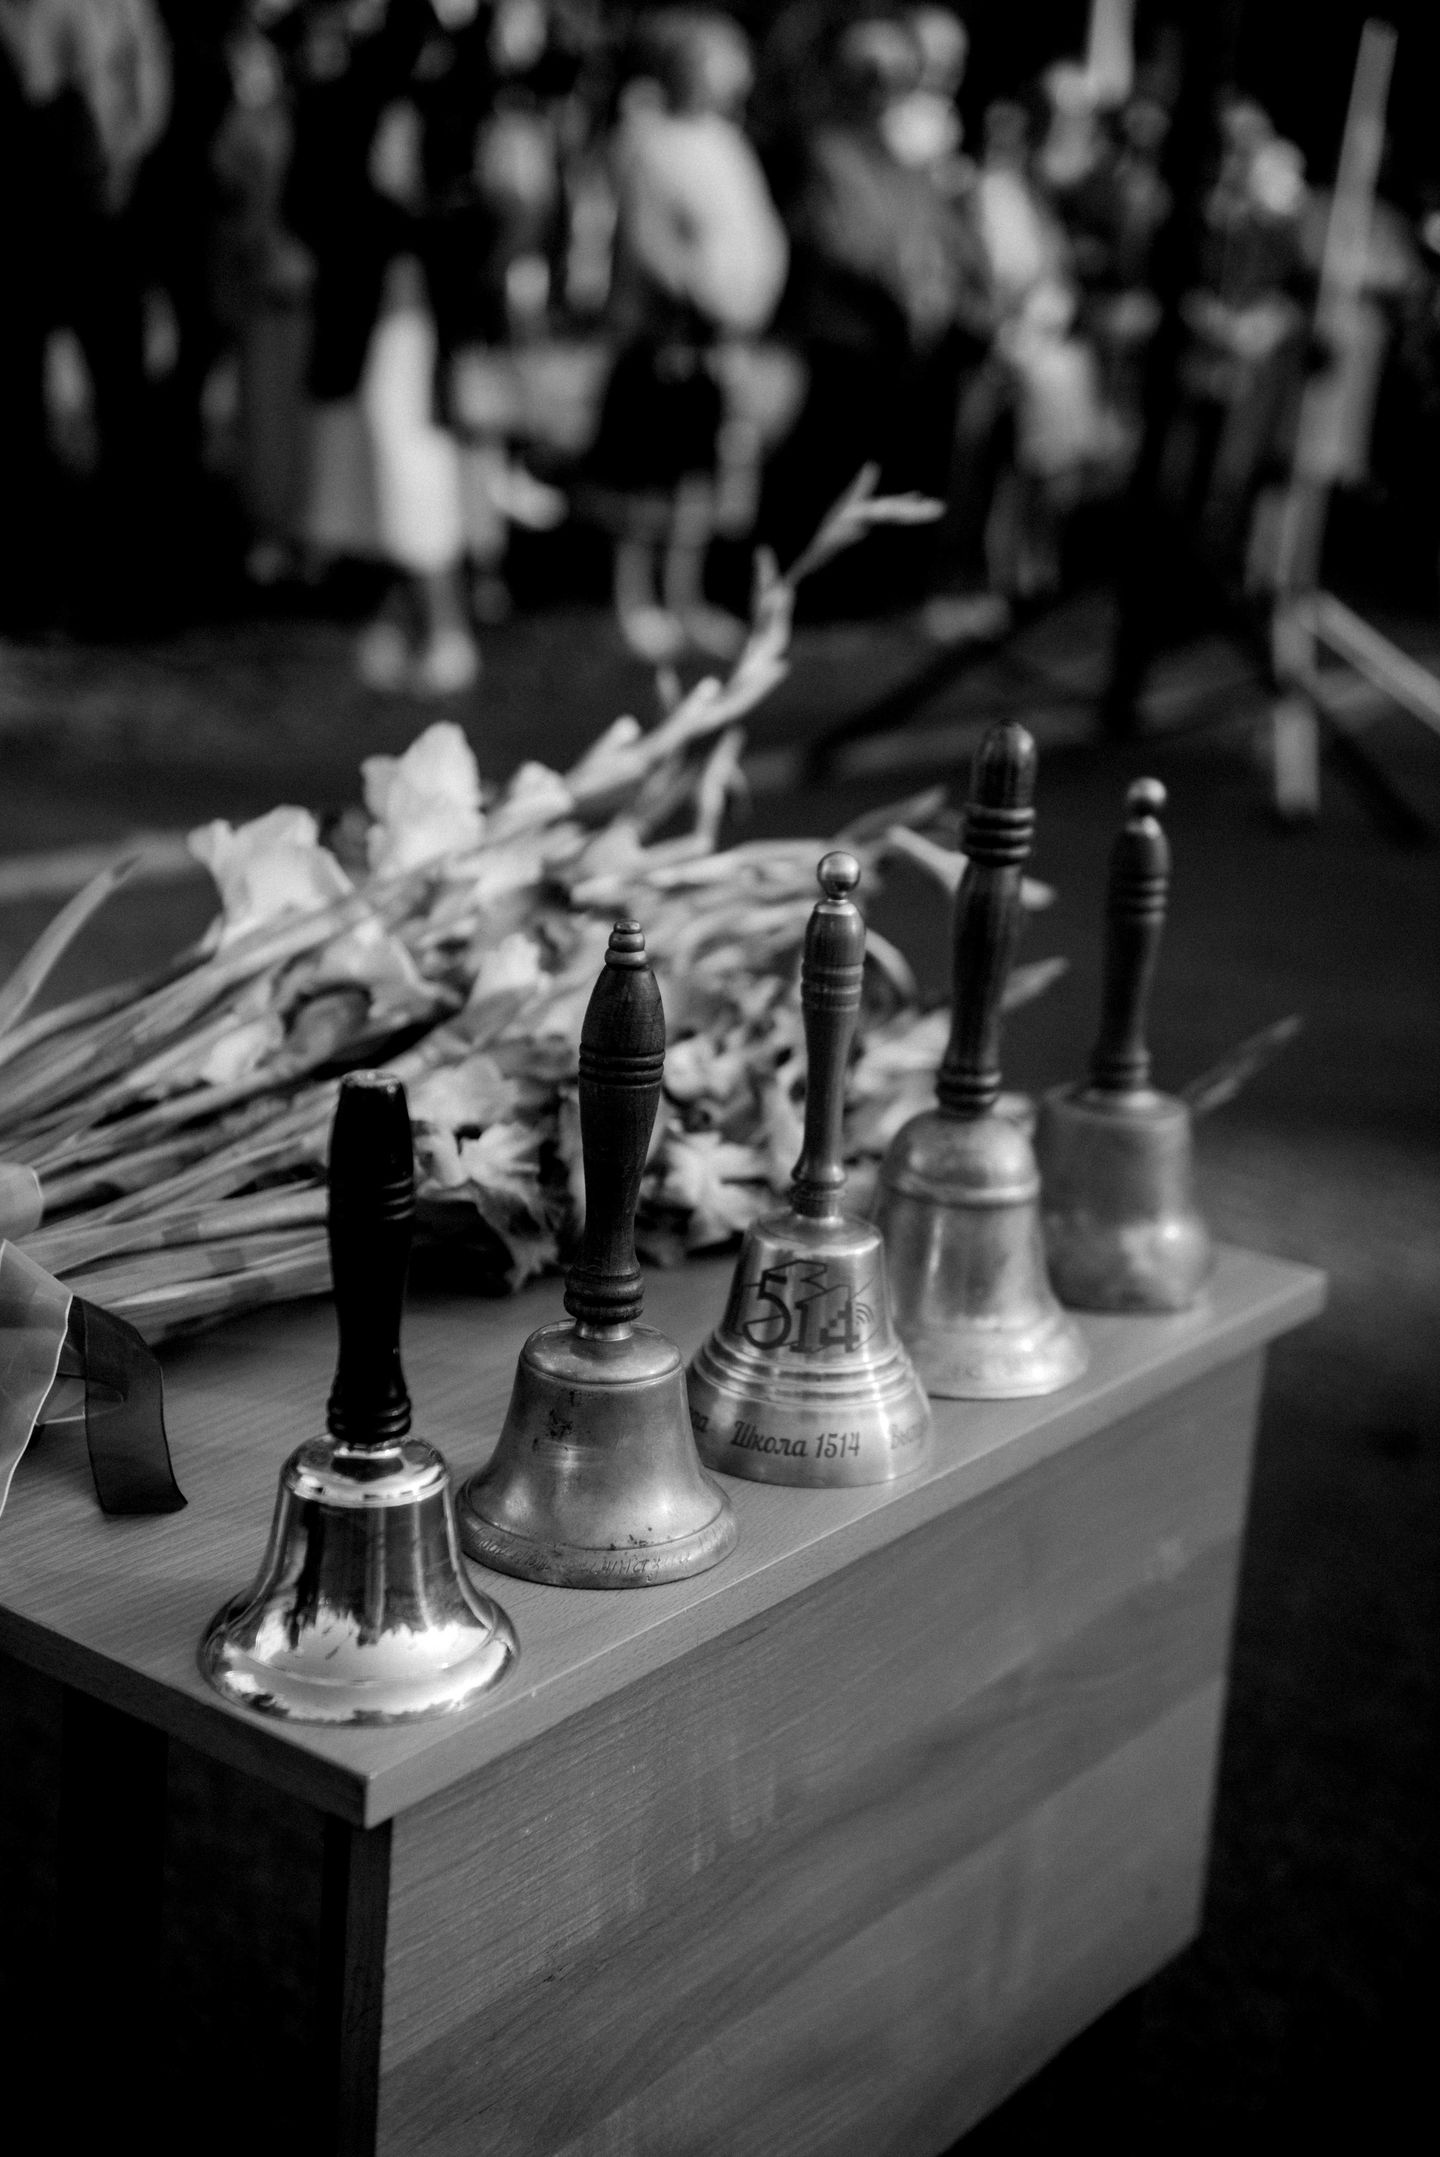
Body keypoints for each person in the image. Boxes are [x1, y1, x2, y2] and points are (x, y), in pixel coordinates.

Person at [582, 7, 789, 661]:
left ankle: (684, 596)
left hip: (719, 340)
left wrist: (746, 301)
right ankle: (633, 600)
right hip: (663, 338)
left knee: (696, 477)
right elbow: (647, 241)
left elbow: (755, 232)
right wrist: (698, 298)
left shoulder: (726, 143)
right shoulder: (648, 143)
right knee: (643, 474)